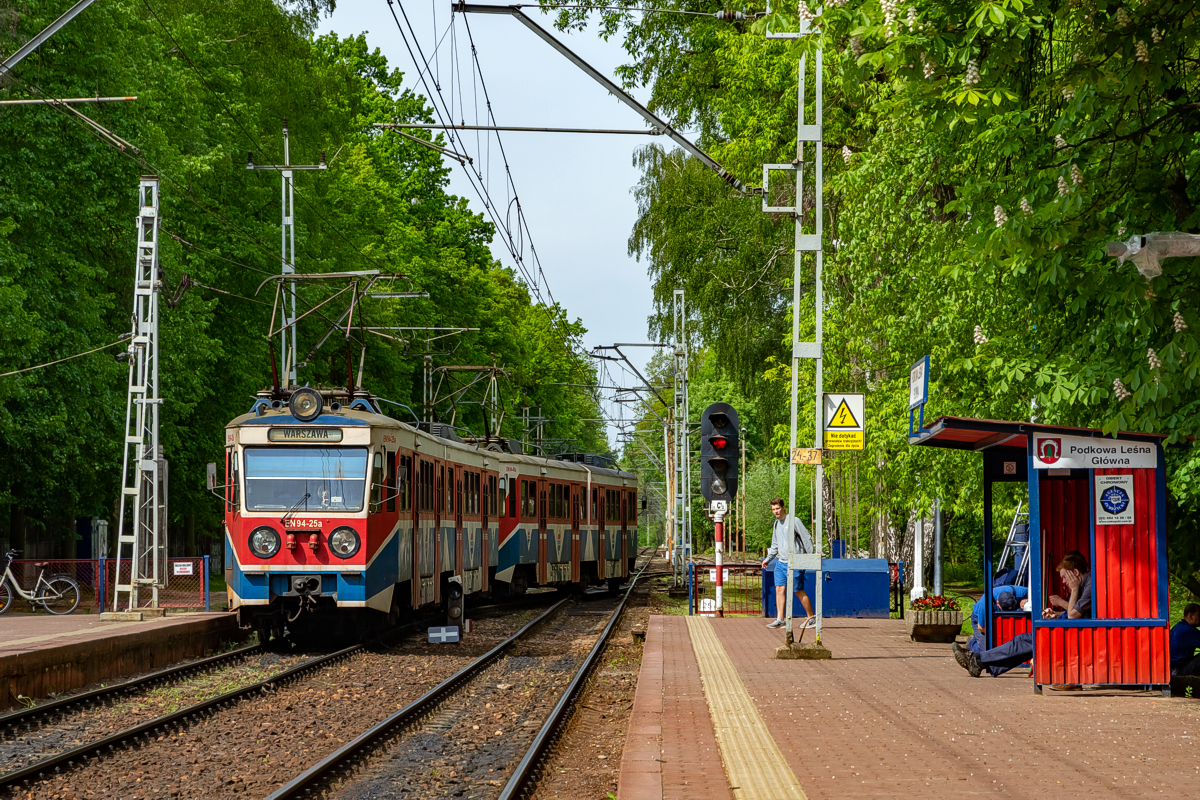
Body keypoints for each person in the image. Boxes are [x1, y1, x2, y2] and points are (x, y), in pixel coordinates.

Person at [952, 552, 1091, 678]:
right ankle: (979, 663)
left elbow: (1073, 616)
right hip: (1068, 628)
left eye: (1065, 577)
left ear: (1076, 573)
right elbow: (1073, 612)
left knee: (1022, 642)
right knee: (1024, 645)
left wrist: (1073, 590)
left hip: (1075, 633)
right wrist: (1056, 613)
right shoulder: (1081, 584)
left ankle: (977, 659)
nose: (1064, 582)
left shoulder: (1087, 586)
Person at [761, 497, 816, 629]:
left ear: (783, 507)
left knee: (797, 590)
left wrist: (810, 557)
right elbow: (775, 544)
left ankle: (811, 618)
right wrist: (768, 559)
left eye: (778, 508)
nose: (776, 511)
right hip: (781, 562)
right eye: (773, 509)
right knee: (779, 589)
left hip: (795, 561)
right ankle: (780, 619)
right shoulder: (776, 524)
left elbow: (806, 538)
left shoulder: (794, 521)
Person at [1170, 603, 1200, 676]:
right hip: (1177, 670)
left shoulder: (1178, 627)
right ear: (1190, 616)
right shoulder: (1189, 630)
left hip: (1174, 668)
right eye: (1199, 615)